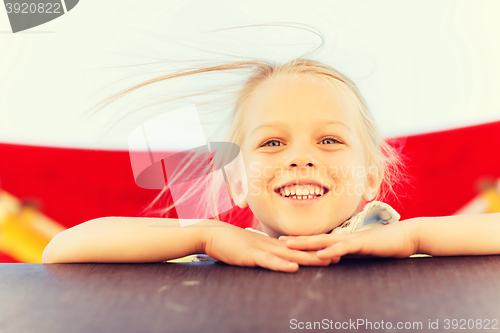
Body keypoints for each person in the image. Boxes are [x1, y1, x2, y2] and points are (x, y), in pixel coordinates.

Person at [41, 58, 500, 272]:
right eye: (274, 142)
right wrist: (206, 233)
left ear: (371, 176)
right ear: (236, 181)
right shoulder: (222, 249)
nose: (301, 157)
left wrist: (417, 235)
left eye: (330, 139)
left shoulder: (393, 239)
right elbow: (61, 247)